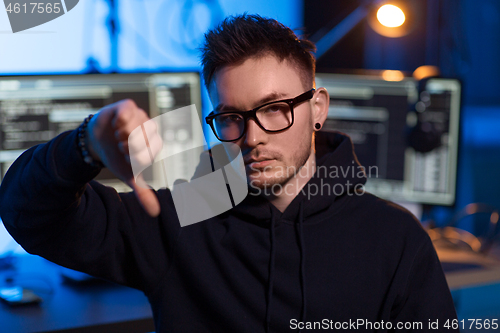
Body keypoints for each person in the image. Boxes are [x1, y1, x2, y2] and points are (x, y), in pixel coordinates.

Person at [0, 14, 458, 333]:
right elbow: (27, 215)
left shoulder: (394, 238)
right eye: (232, 117)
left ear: (317, 108)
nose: (253, 137)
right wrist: (84, 145)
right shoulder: (183, 216)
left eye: (275, 109)